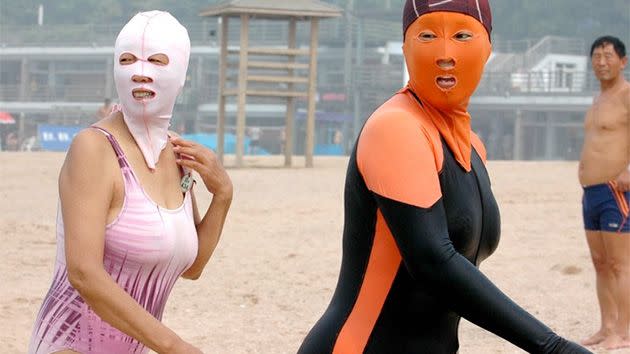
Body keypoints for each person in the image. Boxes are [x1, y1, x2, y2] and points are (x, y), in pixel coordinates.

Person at [297, 1, 591, 353]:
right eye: (428, 36)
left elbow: (460, 275)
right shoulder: (396, 128)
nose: (445, 54)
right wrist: (552, 346)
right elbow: (433, 262)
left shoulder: (472, 148)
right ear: (406, 47)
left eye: (463, 35)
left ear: (488, 49)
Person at [28, 11, 233, 354]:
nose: (140, 72)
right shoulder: (93, 149)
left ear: (181, 73)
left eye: (156, 60)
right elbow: (83, 272)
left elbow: (192, 266)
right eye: (127, 60)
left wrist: (223, 194)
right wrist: (174, 346)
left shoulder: (178, 153)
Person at [579, 35, 630, 350]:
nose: (602, 61)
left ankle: (624, 330)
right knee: (599, 262)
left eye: (608, 56)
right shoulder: (597, 100)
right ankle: (606, 326)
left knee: (619, 263)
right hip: (591, 192)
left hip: (616, 190)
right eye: (597, 56)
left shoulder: (627, 95)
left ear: (622, 61)